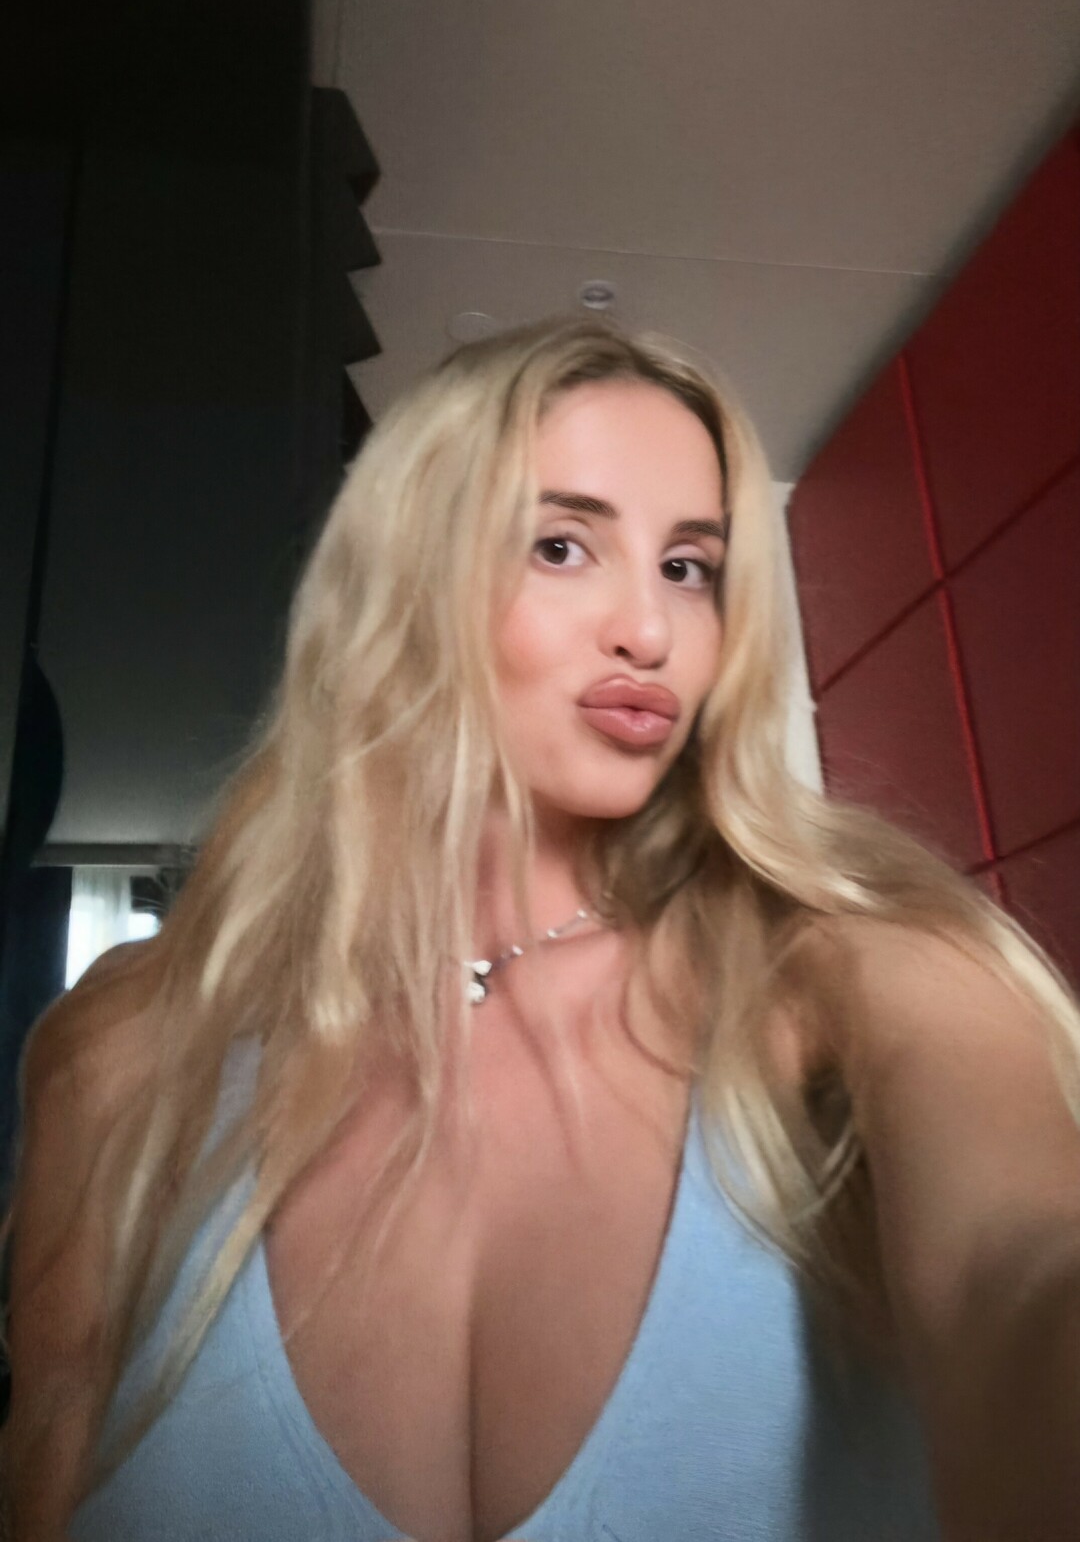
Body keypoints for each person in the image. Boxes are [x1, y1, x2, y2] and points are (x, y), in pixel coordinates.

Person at [2, 314, 1079, 1542]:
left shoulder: (854, 979)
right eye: (563, 546)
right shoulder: (123, 1049)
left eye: (690, 568)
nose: (650, 631)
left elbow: (1017, 1261)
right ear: (402, 586)